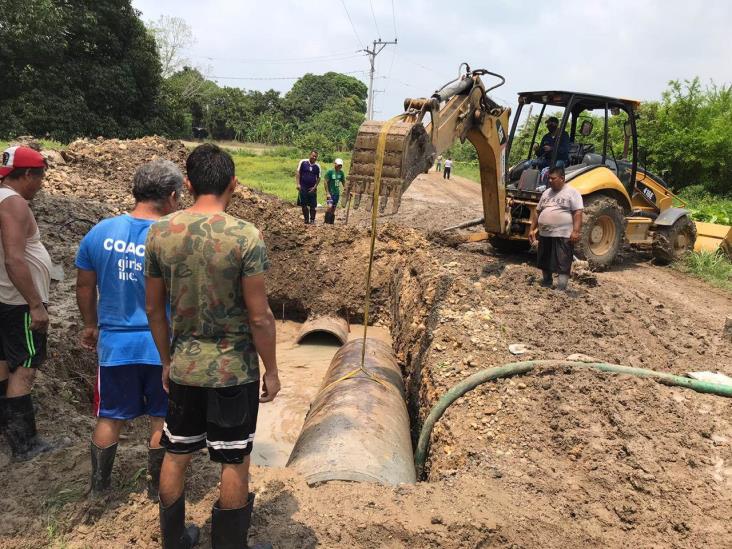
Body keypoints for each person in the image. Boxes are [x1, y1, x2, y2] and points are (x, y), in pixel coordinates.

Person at [145, 144, 280, 549]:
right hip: (234, 372)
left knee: (176, 452)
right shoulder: (246, 235)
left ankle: (174, 540)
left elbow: (154, 308)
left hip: (185, 366)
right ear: (233, 183)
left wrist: (167, 361)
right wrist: (271, 370)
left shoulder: (160, 232)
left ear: (187, 184)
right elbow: (260, 316)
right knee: (234, 457)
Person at [75, 160, 183, 498]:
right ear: (171, 195)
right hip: (161, 347)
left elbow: (83, 286)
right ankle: (156, 490)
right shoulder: (174, 237)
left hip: (115, 347)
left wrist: (91, 325)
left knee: (110, 417)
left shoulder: (100, 232)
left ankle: (99, 490)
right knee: (161, 418)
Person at [0, 146, 55, 461]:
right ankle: (25, 444)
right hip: (18, 300)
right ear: (29, 174)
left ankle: (6, 431)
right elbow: (14, 258)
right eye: (40, 177)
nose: (42, 185)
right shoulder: (15, 203)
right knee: (25, 367)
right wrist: (35, 303)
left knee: (3, 363)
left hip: (3, 297)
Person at [528, 166, 583, 290]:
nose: (550, 181)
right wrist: (532, 229)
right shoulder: (546, 193)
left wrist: (575, 231)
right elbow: (537, 212)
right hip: (545, 233)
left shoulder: (572, 192)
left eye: (553, 178)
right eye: (549, 178)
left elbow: (578, 213)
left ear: (562, 178)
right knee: (544, 259)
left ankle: (561, 287)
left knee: (563, 261)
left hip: (563, 234)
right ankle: (546, 281)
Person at [296, 150, 320, 224]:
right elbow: (298, 173)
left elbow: (319, 178)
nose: (314, 157)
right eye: (313, 155)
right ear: (309, 155)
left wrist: (315, 187)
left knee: (313, 205)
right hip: (303, 186)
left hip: (312, 188)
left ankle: (312, 220)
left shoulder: (317, 166)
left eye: (316, 156)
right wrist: (298, 184)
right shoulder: (303, 162)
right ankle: (306, 220)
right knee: (304, 204)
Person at [324, 158, 346, 225]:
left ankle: (331, 223)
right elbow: (325, 182)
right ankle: (326, 222)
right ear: (335, 164)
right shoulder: (330, 172)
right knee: (329, 207)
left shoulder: (341, 173)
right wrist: (327, 193)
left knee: (333, 208)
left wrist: (347, 191)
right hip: (330, 194)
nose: (339, 166)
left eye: (340, 165)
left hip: (336, 194)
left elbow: (344, 182)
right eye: (338, 165)